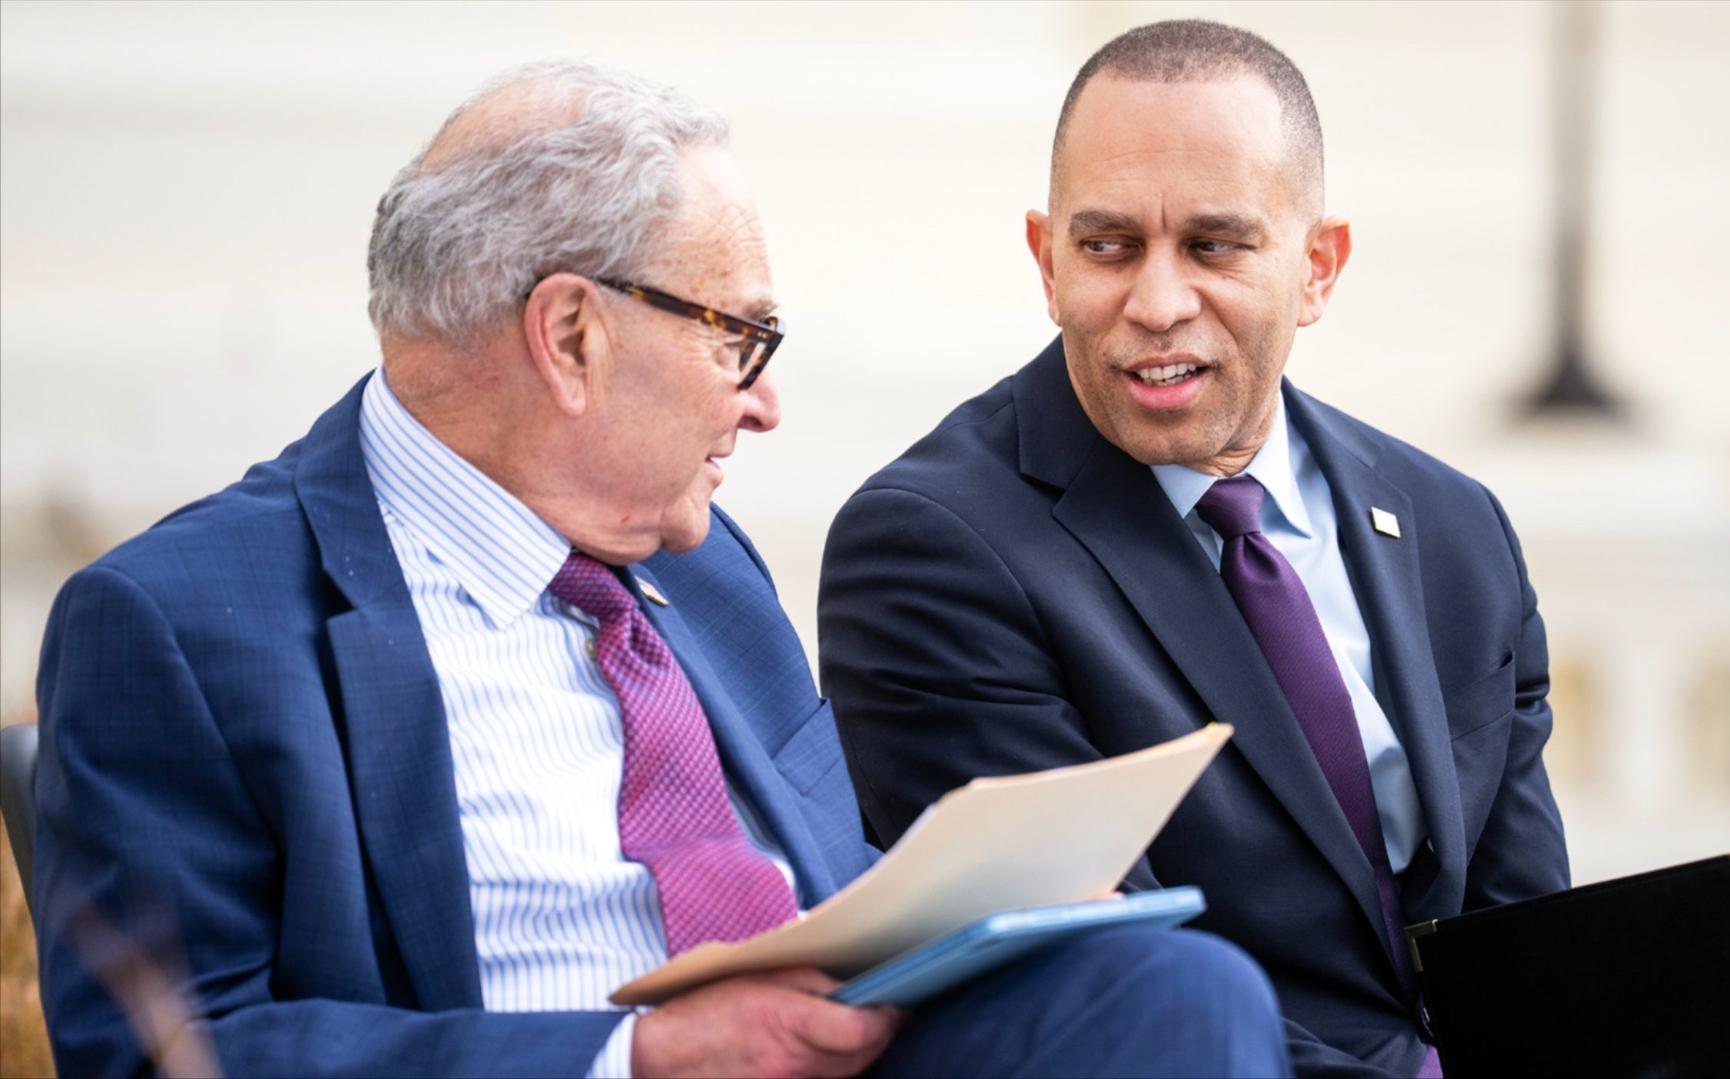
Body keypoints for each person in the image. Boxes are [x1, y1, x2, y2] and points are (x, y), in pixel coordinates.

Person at [32, 58, 1294, 1079]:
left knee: (1180, 989)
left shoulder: (704, 566)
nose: (766, 404)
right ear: (572, 336)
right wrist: (633, 1056)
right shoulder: (177, 620)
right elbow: (162, 1054)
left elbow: (829, 895)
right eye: (739, 335)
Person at [819, 20, 1570, 1079]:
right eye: (1108, 245)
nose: (1157, 305)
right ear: (1046, 259)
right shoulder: (932, 547)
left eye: (1214, 245)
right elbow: (1112, 994)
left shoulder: (1456, 528)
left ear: (1318, 266)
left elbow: (1524, 937)